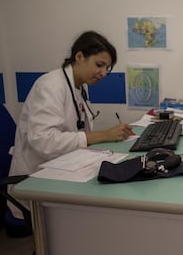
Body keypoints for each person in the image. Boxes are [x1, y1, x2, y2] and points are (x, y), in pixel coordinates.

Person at [8, 30, 134, 219]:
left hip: (66, 169)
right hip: (36, 181)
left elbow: (78, 130)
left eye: (106, 68)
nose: (102, 73)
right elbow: (44, 141)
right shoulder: (50, 86)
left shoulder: (79, 87)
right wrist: (103, 135)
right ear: (79, 56)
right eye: (99, 65)